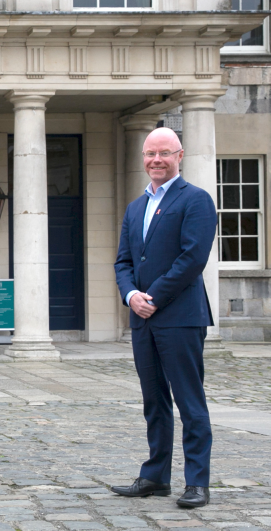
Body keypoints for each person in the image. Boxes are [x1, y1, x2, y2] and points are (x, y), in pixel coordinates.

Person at [112, 127, 218, 508]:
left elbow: (192, 259)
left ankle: (197, 482)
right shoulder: (136, 206)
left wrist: (152, 296)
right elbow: (124, 260)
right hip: (143, 319)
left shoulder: (197, 200)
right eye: (150, 153)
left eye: (164, 153)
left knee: (190, 402)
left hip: (180, 317)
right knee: (154, 401)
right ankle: (156, 476)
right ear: (143, 158)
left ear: (180, 155)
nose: (156, 160)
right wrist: (130, 295)